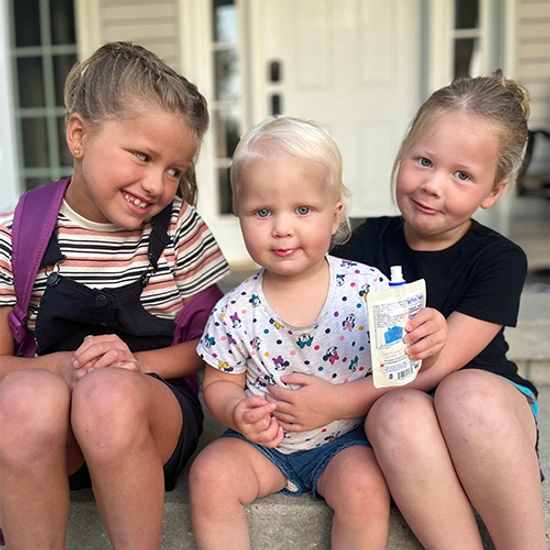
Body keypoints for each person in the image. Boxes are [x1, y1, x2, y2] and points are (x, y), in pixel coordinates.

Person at [0, 42, 229, 549]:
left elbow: (217, 346)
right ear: (79, 135)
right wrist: (59, 368)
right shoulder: (16, 233)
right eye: (143, 156)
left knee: (107, 393)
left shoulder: (179, 230)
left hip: (148, 423)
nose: (157, 184)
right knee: (21, 397)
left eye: (174, 169)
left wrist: (136, 367)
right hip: (47, 439)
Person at [189, 116, 447, 549]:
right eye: (262, 212)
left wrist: (430, 339)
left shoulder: (368, 289)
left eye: (303, 210)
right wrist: (237, 412)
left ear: (335, 215)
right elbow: (218, 382)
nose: (282, 227)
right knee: (209, 474)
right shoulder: (234, 309)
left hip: (344, 442)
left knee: (366, 487)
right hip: (262, 447)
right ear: (239, 217)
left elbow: (405, 362)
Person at [331, 71, 545, 549]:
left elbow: (441, 369)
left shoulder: (500, 260)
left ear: (493, 191)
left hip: (487, 411)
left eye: (462, 175)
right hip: (403, 413)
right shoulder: (362, 244)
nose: (432, 185)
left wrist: (334, 403)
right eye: (424, 161)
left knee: (464, 392)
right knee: (393, 411)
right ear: (403, 152)